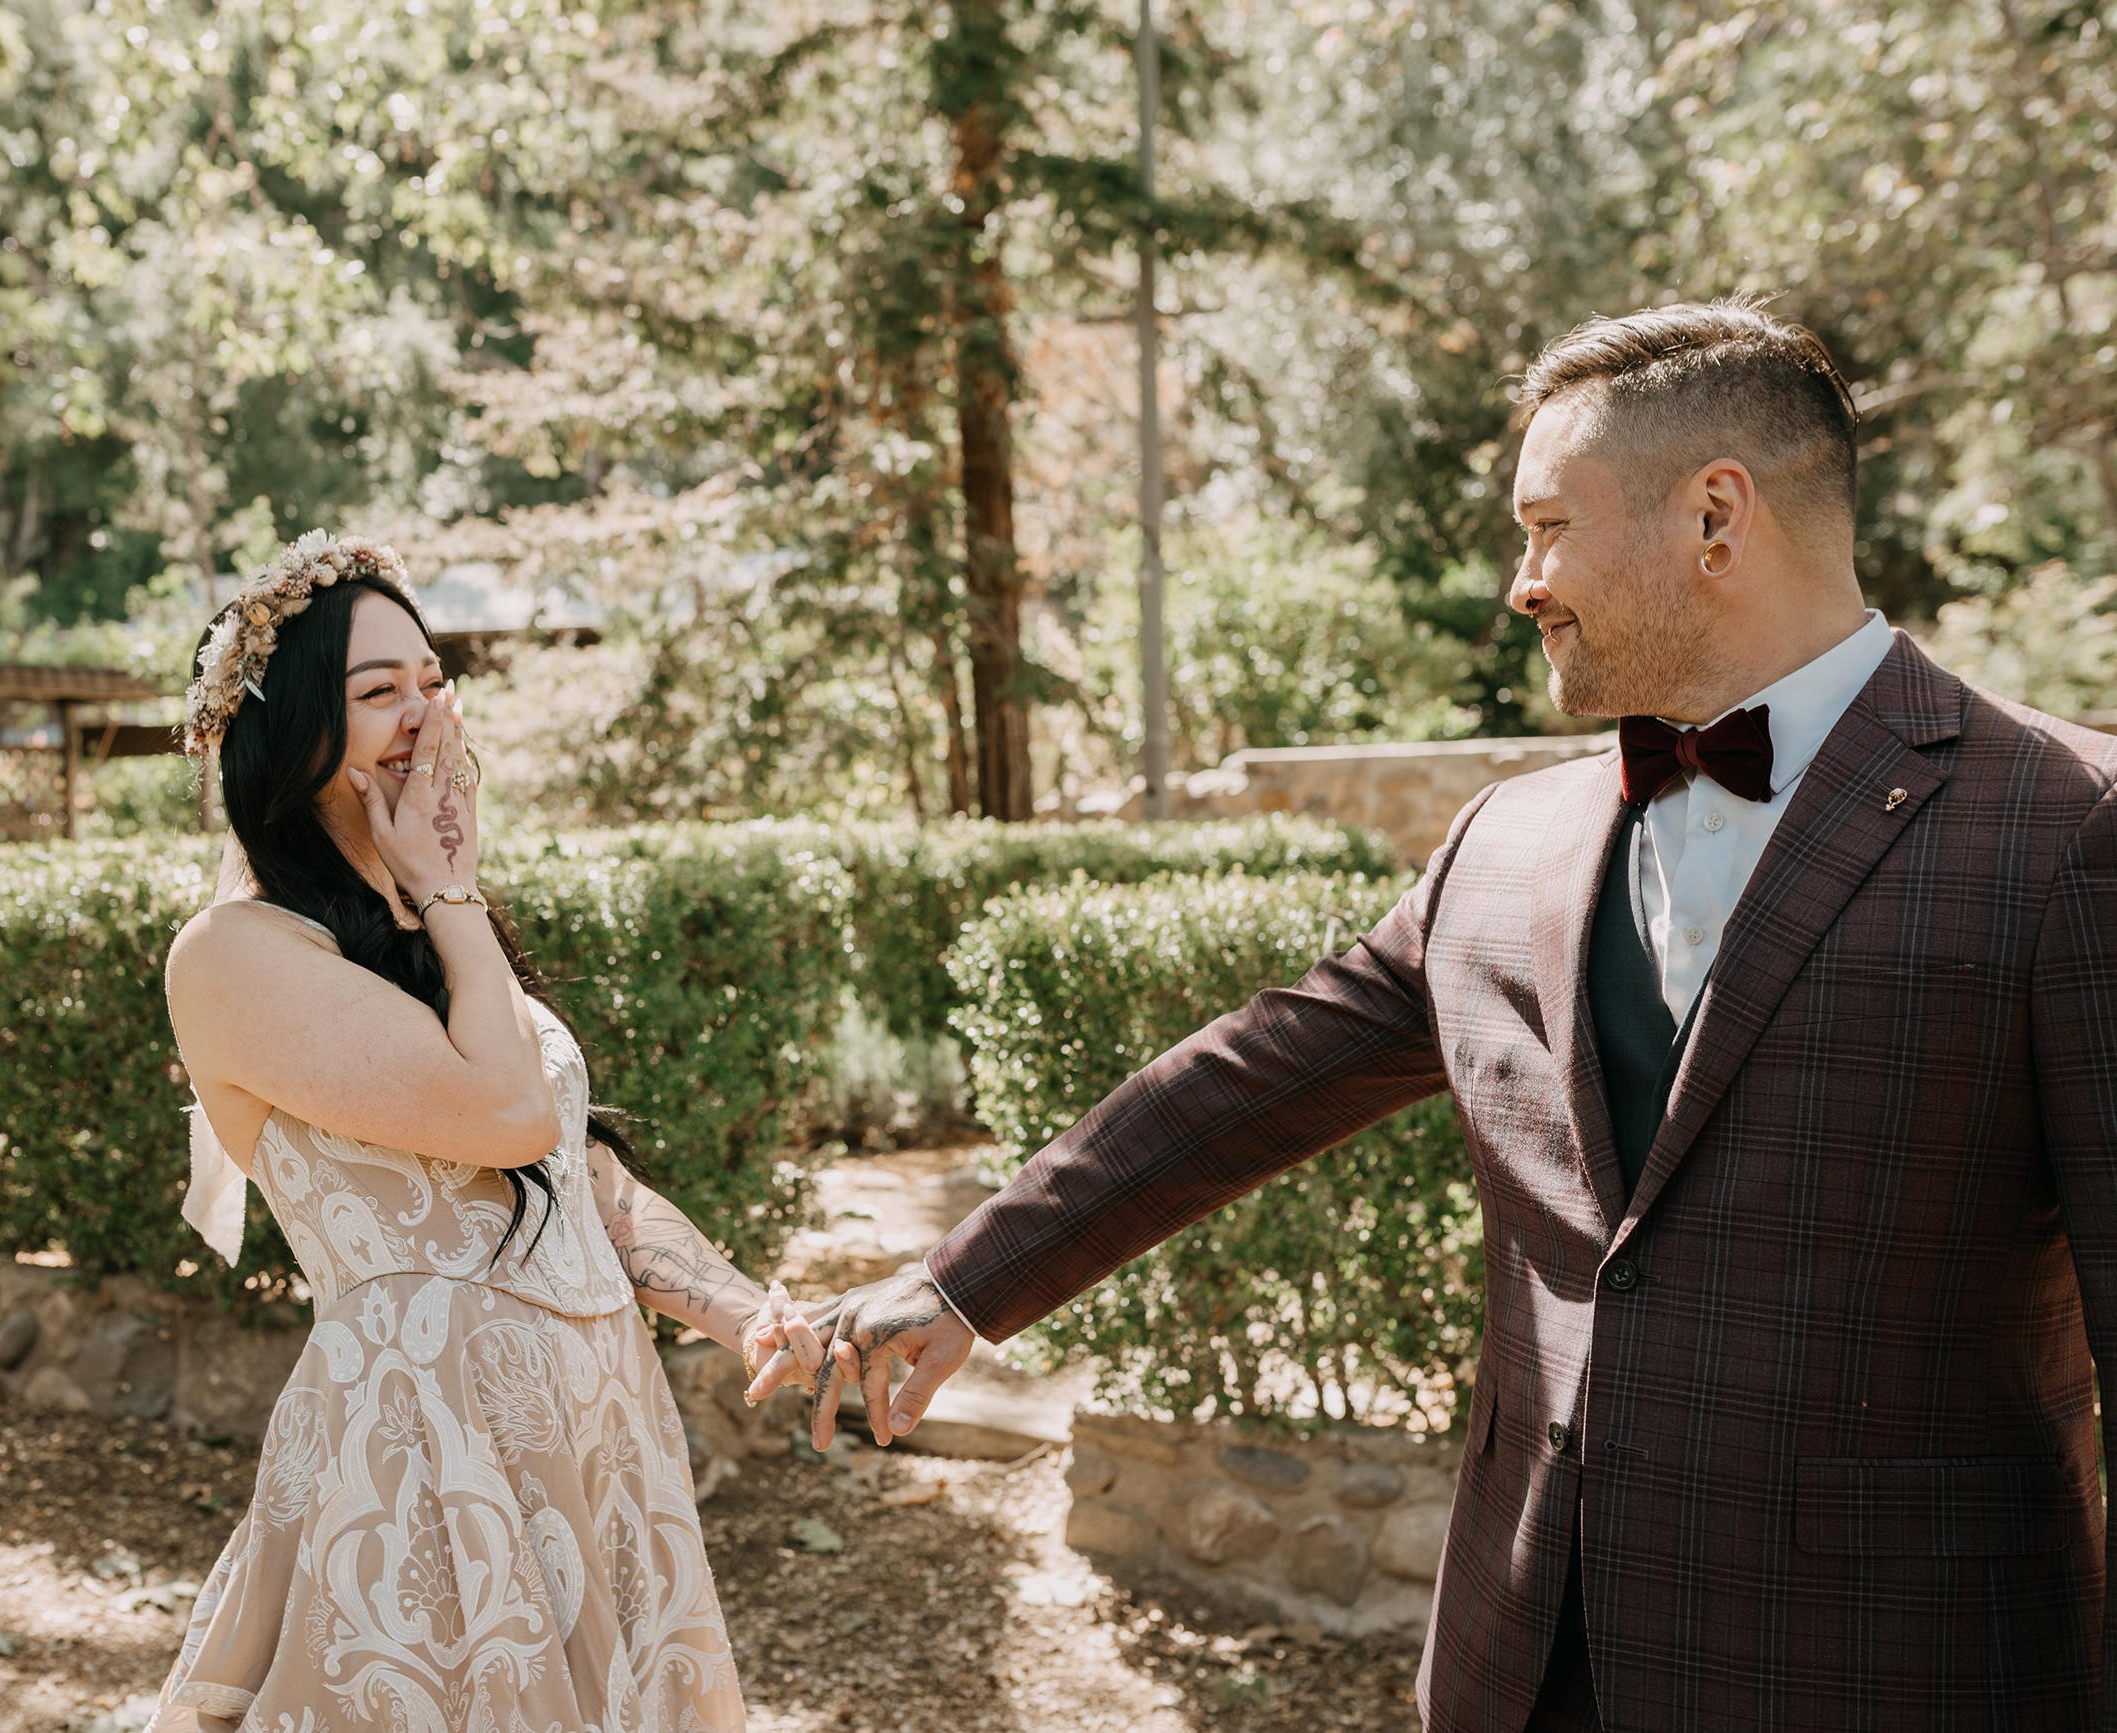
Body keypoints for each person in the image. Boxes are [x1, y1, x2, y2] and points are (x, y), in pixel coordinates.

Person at [769, 299, 2117, 1729]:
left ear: (1716, 517)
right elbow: (1254, 1076)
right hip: (1519, 1660)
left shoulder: (2066, 831)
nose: (1522, 583)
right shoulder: (1507, 841)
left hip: (1897, 1677)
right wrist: (966, 1281)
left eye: (1547, 527)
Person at [151, 532, 822, 1733]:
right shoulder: (235, 955)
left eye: (430, 678)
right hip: (425, 1450)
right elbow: (507, 1115)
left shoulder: (427, 924)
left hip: (596, 1424)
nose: (423, 714)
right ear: (294, 731)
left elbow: (572, 1162)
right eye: (376, 692)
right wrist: (452, 881)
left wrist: (731, 1302)